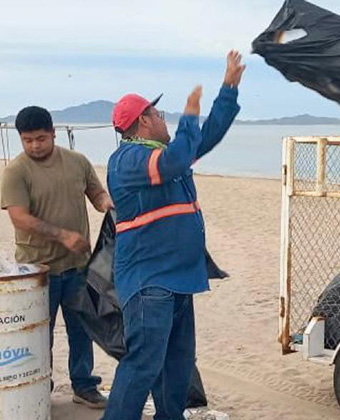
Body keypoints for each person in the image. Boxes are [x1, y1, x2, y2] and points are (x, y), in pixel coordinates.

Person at [101, 50, 245, 420]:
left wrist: (228, 88)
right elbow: (177, 159)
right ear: (143, 121)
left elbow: (207, 136)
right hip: (150, 281)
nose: (165, 119)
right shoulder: (128, 160)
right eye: (159, 113)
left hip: (179, 279)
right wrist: (191, 115)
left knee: (177, 365)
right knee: (144, 364)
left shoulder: (164, 153)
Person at [0, 106, 112, 408]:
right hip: (36, 270)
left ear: (53, 133)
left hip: (78, 267)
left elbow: (97, 194)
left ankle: (84, 385)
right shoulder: (15, 171)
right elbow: (20, 218)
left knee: (82, 329)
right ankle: (40, 386)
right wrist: (64, 236)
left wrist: (106, 205)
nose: (34, 145)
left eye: (40, 138)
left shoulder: (77, 162)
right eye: (27, 140)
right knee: (38, 336)